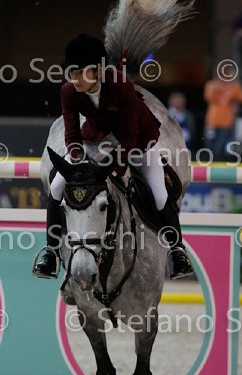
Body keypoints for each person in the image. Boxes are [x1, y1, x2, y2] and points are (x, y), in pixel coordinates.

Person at [33, 34, 194, 280]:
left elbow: (129, 137)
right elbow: (72, 134)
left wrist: (111, 169)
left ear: (98, 70)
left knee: (160, 194)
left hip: (137, 143)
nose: (74, 78)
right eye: (71, 73)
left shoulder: (121, 86)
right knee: (56, 187)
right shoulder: (68, 91)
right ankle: (51, 252)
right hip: (94, 140)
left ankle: (177, 251)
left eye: (80, 72)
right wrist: (79, 162)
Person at [203, 65, 242, 160]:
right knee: (210, 147)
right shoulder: (211, 84)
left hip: (226, 122)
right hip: (212, 121)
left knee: (221, 148)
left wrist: (235, 103)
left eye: (227, 72)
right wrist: (218, 84)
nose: (224, 75)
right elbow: (208, 98)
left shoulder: (234, 86)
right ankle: (211, 165)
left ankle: (218, 166)